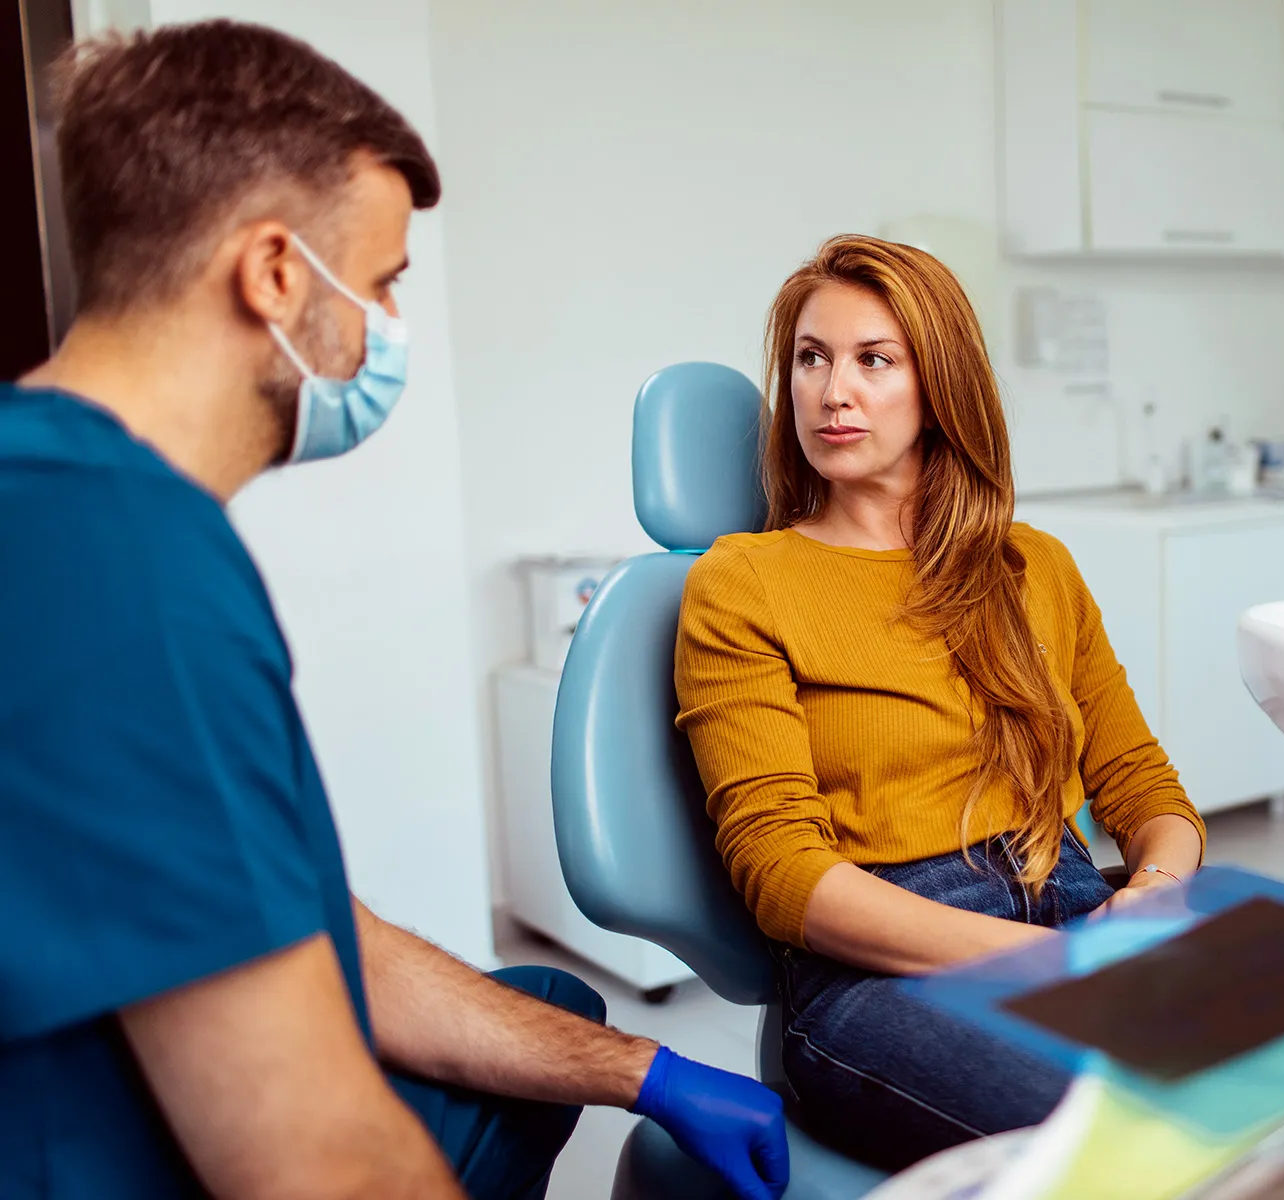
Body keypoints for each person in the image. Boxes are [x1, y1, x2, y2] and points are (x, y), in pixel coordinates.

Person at [0, 21, 786, 1200]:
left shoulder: (49, 486)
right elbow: (312, 1161)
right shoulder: (124, 560)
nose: (381, 333)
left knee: (554, 1017)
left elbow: (314, 939)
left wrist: (647, 1070)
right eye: (378, 284)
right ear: (273, 274)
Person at [674, 234, 1207, 1170]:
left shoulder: (1033, 564)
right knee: (1134, 1129)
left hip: (1077, 906)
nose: (832, 391)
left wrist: (1156, 891)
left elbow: (1143, 786)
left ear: (940, 387)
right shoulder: (744, 582)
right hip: (880, 971)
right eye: (811, 359)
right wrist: (1037, 962)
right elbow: (781, 873)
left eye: (875, 359)